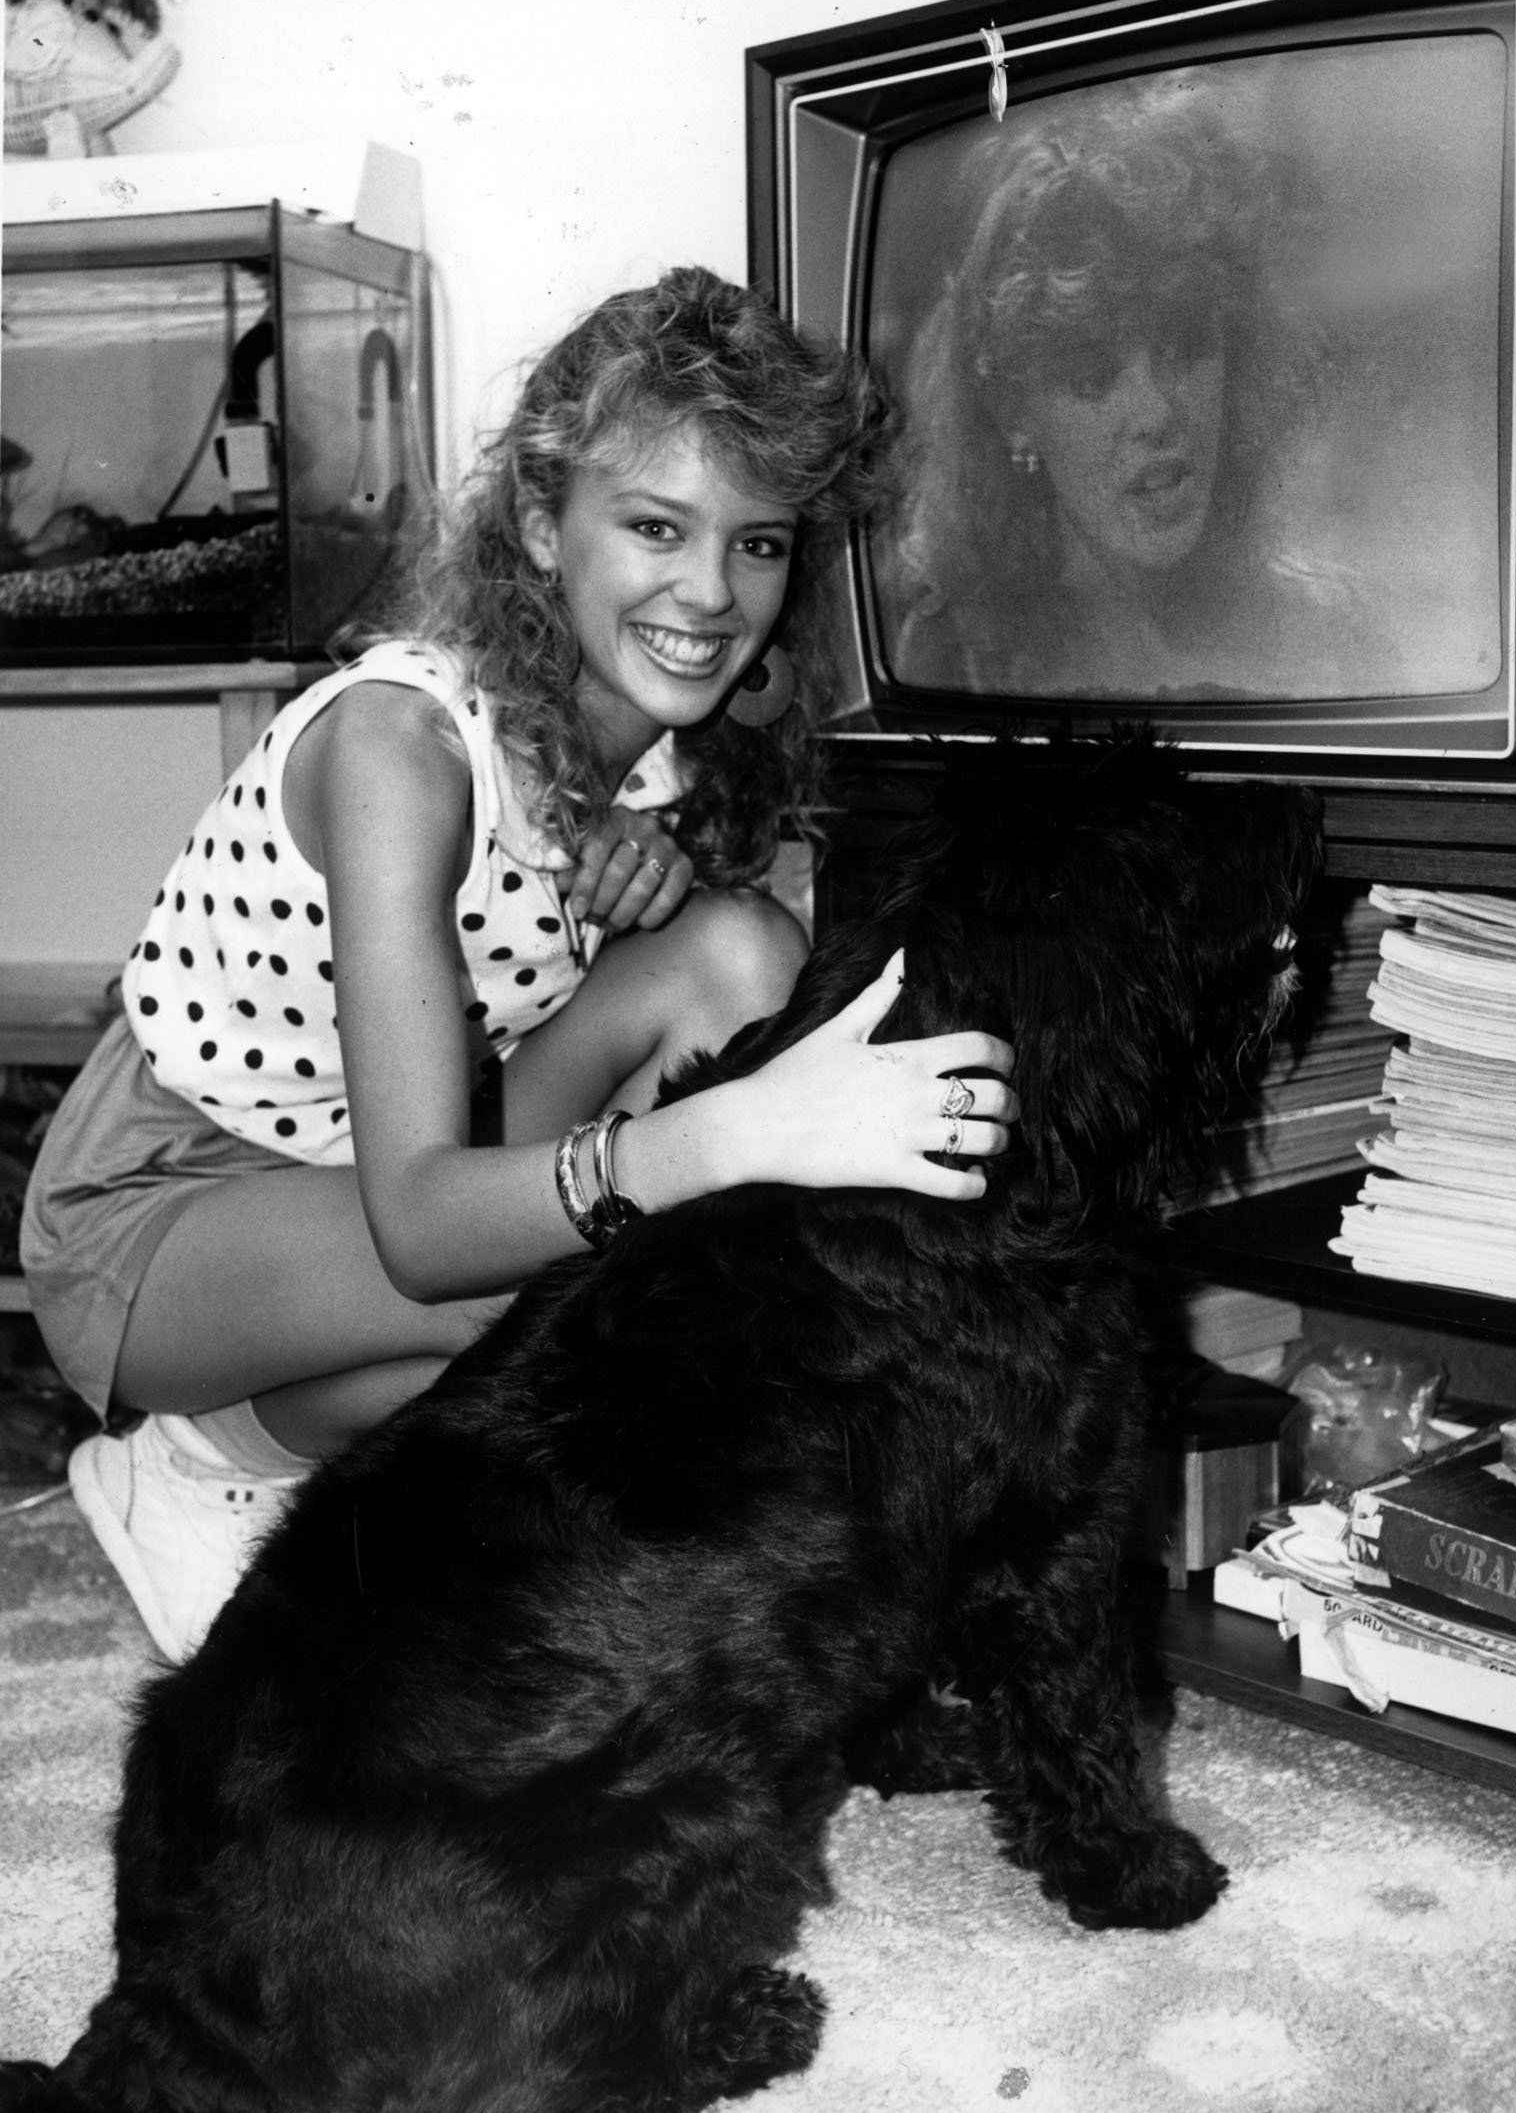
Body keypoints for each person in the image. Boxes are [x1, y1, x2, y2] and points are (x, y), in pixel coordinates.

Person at [20, 265, 1018, 1665]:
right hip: (161, 1209)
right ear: (544, 525)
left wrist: (659, 880)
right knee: (590, 1292)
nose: (709, 592)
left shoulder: (653, 757)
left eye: (757, 543)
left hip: (351, 1173)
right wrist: (731, 1135)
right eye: (655, 526)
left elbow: (633, 964)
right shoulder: (399, 748)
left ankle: (389, 1485)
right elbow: (427, 1232)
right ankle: (201, 1460)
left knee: (741, 953)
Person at [875, 80, 1277, 699]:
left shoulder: (1332, 631)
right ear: (1012, 413)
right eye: (1093, 378)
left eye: (1184, 349)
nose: (1156, 413)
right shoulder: (955, 657)